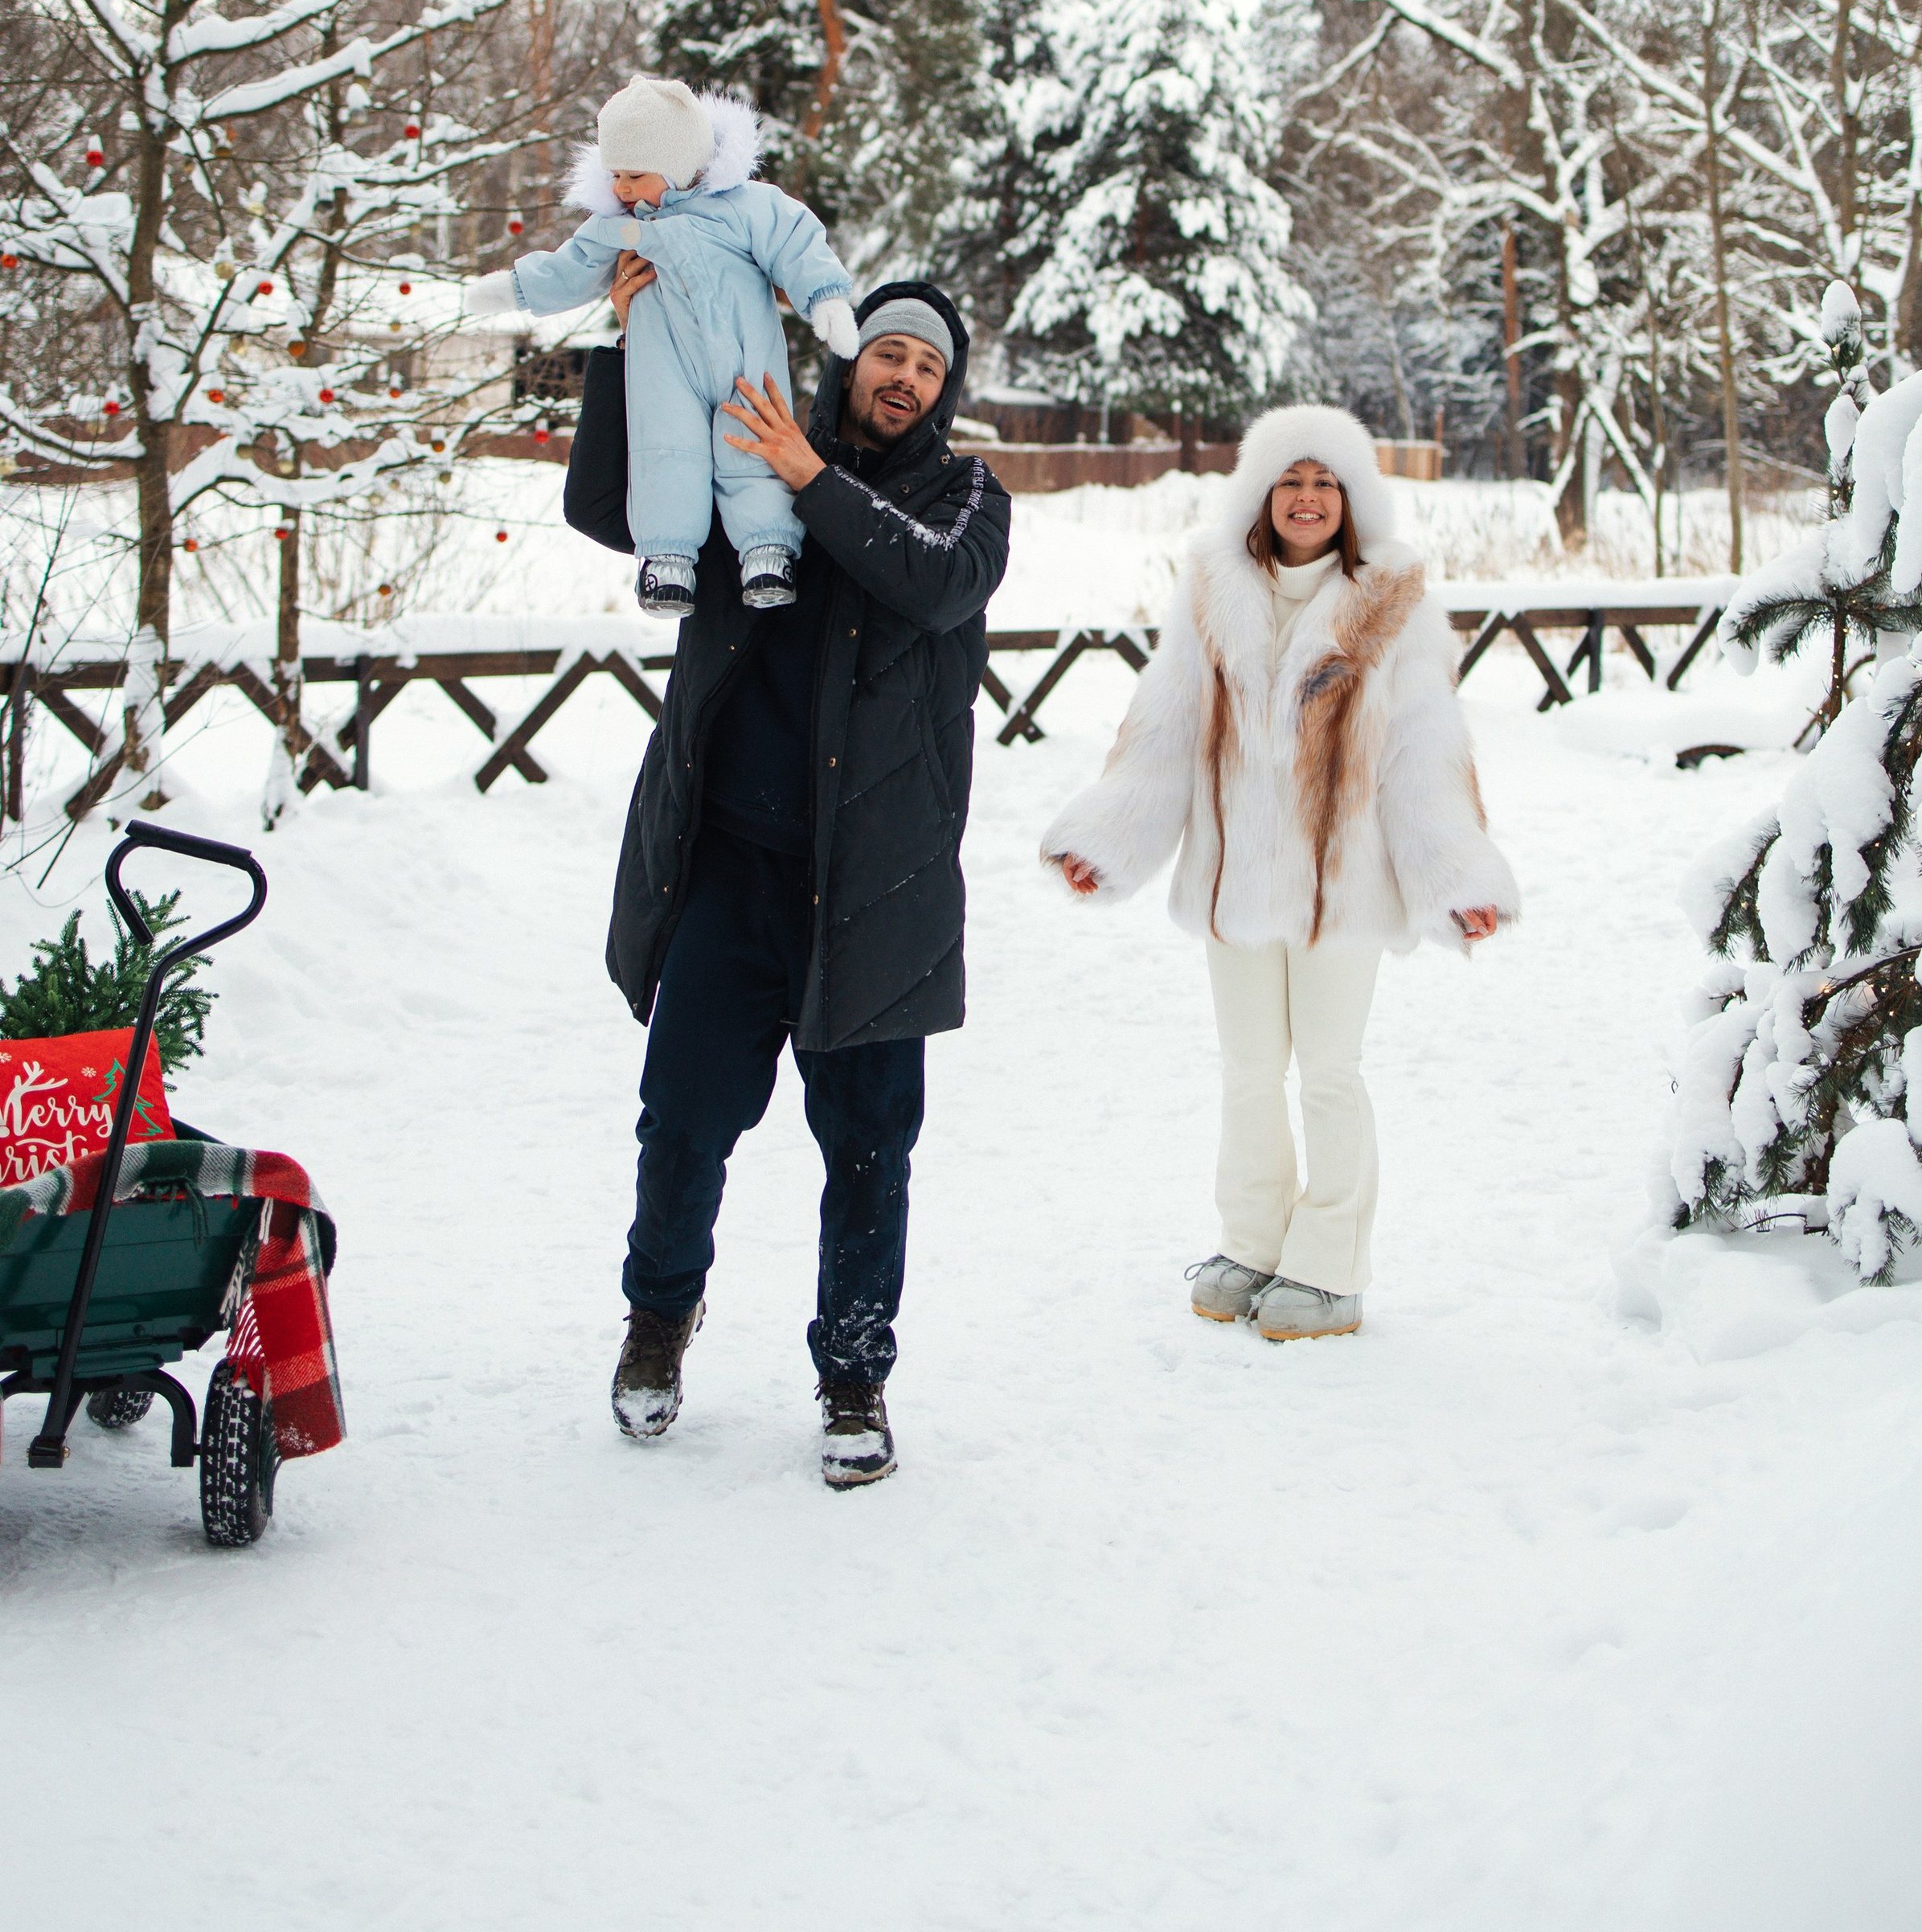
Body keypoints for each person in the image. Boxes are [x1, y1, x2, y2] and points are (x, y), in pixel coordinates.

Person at [566, 272, 1009, 1487]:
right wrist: (633, 342)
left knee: (868, 1151)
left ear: (943, 392)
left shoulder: (968, 499)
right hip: (730, 872)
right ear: (851, 361)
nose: (905, 376)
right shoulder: (747, 460)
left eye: (928, 365)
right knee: (683, 1123)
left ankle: (854, 1375)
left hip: (879, 892)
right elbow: (606, 504)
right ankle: (659, 1319)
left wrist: (810, 479)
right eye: (889, 353)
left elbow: (934, 582)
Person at [1040, 405, 1518, 1340]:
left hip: (1345, 885)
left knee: (1330, 1070)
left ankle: (1331, 1267)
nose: (1307, 497)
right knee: (1249, 1070)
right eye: (1290, 481)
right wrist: (1110, 838)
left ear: (1352, 499)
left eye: (1325, 482)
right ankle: (1251, 1244)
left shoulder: (1393, 601)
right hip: (1235, 881)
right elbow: (1163, 727)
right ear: (1259, 496)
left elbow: (1424, 749)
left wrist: (1455, 875)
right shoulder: (1212, 592)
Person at [465, 74, 860, 617]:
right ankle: (667, 558)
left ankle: (768, 547)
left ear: (678, 164)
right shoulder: (617, 228)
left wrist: (827, 299)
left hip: (746, 360)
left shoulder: (745, 207)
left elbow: (797, 242)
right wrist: (512, 290)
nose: (622, 189)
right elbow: (568, 269)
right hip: (664, 368)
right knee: (666, 451)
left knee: (753, 441)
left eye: (635, 175)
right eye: (615, 175)